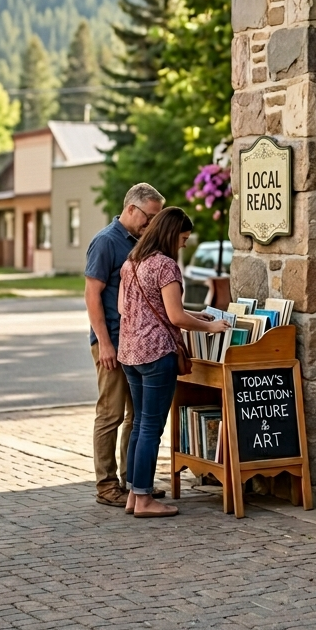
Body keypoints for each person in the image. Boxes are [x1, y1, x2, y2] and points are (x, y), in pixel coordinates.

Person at [118, 207, 229, 517]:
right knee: (152, 428)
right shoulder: (166, 267)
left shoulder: (132, 263)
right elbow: (175, 316)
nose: (184, 244)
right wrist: (211, 326)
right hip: (157, 354)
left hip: (130, 353)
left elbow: (128, 308)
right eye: (183, 238)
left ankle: (132, 495)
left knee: (140, 423)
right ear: (170, 235)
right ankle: (144, 499)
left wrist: (196, 315)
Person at [85, 182, 165, 506]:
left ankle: (135, 484)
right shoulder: (106, 242)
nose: (152, 224)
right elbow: (92, 295)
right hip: (112, 343)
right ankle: (106, 487)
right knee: (111, 414)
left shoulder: (141, 242)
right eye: (149, 216)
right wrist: (104, 343)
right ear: (131, 208)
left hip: (137, 345)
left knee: (137, 417)